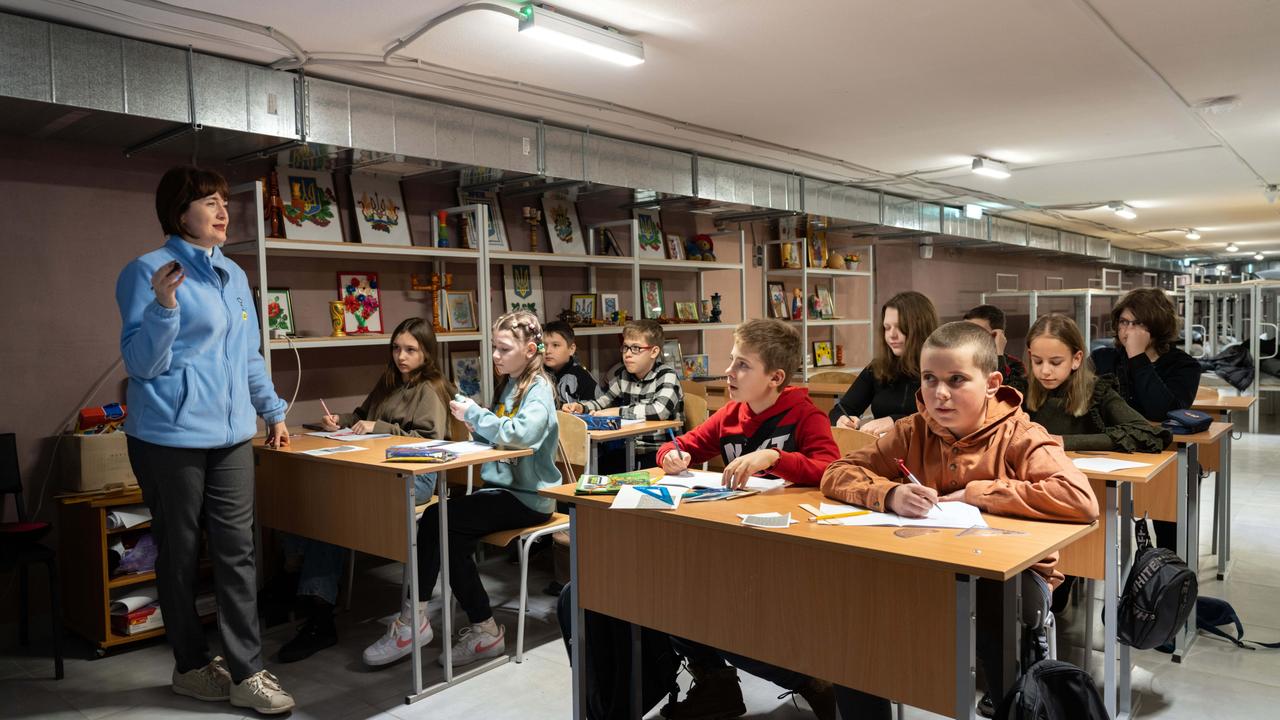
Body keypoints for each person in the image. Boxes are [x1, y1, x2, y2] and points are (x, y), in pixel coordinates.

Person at [821, 321, 1098, 719]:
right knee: (854, 609)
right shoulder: (913, 430)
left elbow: (1080, 499)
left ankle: (1012, 703)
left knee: (991, 598)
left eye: (956, 380)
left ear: (991, 382)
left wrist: (978, 493)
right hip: (930, 564)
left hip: (1016, 581)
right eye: (929, 379)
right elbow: (837, 471)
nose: (939, 394)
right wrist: (889, 493)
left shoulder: (1022, 435)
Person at [116, 165, 295, 714]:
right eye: (209, 201)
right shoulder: (146, 271)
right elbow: (141, 365)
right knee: (181, 553)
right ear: (179, 212)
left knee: (239, 551)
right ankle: (192, 666)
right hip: (168, 436)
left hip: (232, 434)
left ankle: (248, 671)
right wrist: (165, 309)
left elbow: (247, 355)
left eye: (224, 201)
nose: (223, 210)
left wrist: (271, 410)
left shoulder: (234, 275)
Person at [654, 319, 839, 719]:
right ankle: (715, 685)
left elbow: (832, 469)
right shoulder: (730, 415)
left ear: (775, 377)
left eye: (742, 365)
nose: (729, 371)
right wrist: (671, 455)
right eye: (731, 361)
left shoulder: (806, 416)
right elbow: (682, 444)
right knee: (671, 592)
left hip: (789, 547)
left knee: (731, 623)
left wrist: (774, 456)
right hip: (733, 538)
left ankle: (813, 680)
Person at [362, 311, 561, 668]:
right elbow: (497, 433)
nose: (496, 356)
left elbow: (520, 436)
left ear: (531, 349)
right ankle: (482, 629)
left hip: (530, 498)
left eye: (503, 349)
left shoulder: (539, 390)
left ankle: (414, 621)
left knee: (440, 517)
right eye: (494, 348)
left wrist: (475, 415)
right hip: (504, 491)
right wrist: (476, 424)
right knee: (445, 530)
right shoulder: (514, 383)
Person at [275, 317, 458, 663]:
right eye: (396, 348)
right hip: (378, 469)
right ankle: (307, 592)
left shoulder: (430, 387)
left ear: (426, 353)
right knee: (312, 498)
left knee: (332, 509)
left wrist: (381, 426)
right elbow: (363, 415)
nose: (401, 356)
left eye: (410, 350)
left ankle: (314, 605)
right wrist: (341, 421)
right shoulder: (389, 381)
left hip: (414, 476)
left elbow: (428, 442)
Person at [1090, 288, 1199, 551]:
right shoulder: (1104, 359)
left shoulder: (1183, 366)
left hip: (1163, 460)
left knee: (1167, 530)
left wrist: (1138, 358)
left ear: (1157, 326)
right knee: (1086, 526)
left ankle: (1165, 583)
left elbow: (1161, 411)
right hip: (1108, 454)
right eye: (1124, 322)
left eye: (1137, 323)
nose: (1128, 330)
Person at [1024, 314, 1171, 453]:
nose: (1045, 371)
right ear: (1030, 356)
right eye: (1037, 361)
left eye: (1055, 362)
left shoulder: (1097, 392)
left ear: (1076, 359)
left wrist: (1064, 441)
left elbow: (1146, 432)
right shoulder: (1019, 390)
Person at [563, 319, 683, 471]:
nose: (627, 354)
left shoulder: (666, 375)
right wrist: (581, 407)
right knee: (597, 468)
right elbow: (603, 402)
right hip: (628, 448)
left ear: (654, 352)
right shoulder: (623, 376)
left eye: (636, 348)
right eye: (625, 348)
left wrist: (618, 411)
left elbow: (660, 410)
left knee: (621, 472)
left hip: (661, 452)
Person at [830, 291, 938, 435]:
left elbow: (945, 421)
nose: (891, 335)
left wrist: (896, 422)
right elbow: (841, 409)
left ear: (920, 328)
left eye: (900, 327)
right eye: (887, 328)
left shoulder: (942, 370)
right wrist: (841, 419)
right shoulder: (877, 368)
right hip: (885, 451)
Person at [964, 304, 1028, 392]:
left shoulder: (1014, 366)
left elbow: (1005, 399)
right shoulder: (955, 362)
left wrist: (998, 354)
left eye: (977, 333)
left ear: (995, 336)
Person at [543, 320, 601, 407]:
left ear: (571, 349)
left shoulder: (582, 377)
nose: (547, 351)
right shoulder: (537, 375)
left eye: (555, 345)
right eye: (544, 345)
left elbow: (596, 409)